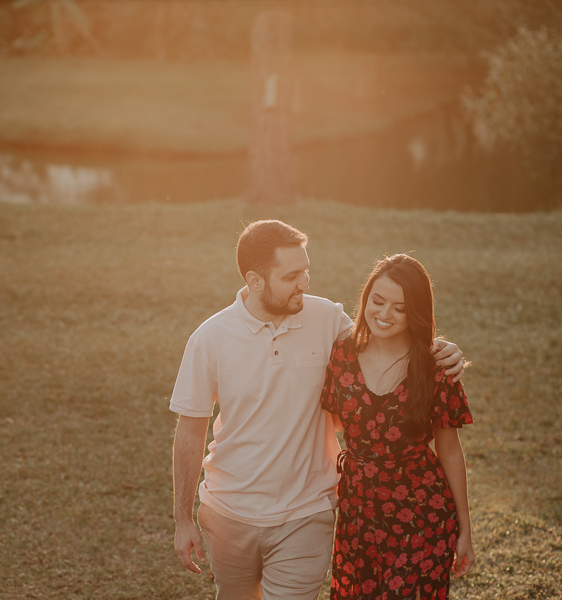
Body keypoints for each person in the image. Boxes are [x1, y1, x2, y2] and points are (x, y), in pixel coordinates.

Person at [170, 220, 466, 600]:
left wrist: (442, 350)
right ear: (255, 280)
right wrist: (182, 519)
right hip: (228, 513)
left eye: (306, 270)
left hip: (306, 513)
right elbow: (190, 431)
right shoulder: (210, 339)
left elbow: (386, 340)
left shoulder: (327, 320)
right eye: (292, 275)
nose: (305, 283)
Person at [320, 254, 474, 599]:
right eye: (378, 301)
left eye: (400, 308)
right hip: (358, 513)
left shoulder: (435, 365)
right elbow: (329, 420)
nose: (384, 315)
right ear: (366, 299)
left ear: (415, 313)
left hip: (423, 515)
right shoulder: (342, 354)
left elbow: (449, 449)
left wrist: (465, 528)